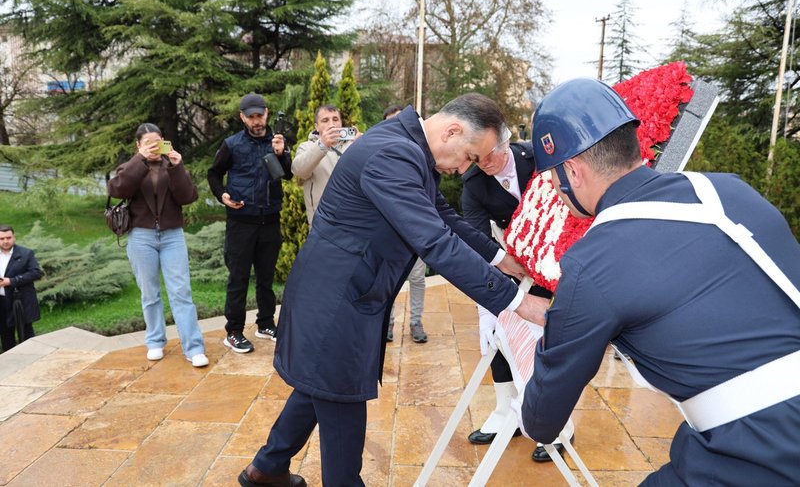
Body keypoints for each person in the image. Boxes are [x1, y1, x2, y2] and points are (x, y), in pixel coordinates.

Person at [238, 94, 550, 487]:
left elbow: (442, 215)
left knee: (320, 384)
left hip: (347, 293)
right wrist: (517, 302)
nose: (465, 168)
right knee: (342, 403)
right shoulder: (392, 154)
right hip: (336, 302)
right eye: (470, 156)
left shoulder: (408, 147)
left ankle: (266, 469)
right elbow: (435, 241)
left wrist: (500, 258)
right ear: (453, 131)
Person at [515, 78, 800, 484]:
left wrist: (560, 327)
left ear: (573, 172)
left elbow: (541, 422)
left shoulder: (592, 261)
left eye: (553, 178)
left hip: (762, 450)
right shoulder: (730, 190)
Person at [460, 130, 573, 462]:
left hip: (561, 255)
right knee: (500, 325)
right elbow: (477, 244)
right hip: (513, 261)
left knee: (550, 338)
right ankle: (502, 408)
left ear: (504, 141)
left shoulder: (535, 158)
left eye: (488, 156)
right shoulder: (474, 184)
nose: (483, 164)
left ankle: (561, 422)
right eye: (476, 159)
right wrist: (487, 305)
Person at [107, 123, 208, 367]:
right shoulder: (130, 167)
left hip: (172, 235)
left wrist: (177, 166)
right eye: (147, 143)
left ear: (164, 141)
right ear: (138, 145)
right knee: (150, 293)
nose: (153, 147)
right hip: (141, 236)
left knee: (181, 292)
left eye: (157, 141)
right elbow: (117, 189)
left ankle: (193, 348)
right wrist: (139, 161)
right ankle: (154, 341)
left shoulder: (171, 165)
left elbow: (188, 197)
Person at [208, 93, 292, 354]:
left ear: (267, 113)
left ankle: (265, 323)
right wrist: (222, 194)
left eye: (260, 115)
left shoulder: (277, 142)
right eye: (251, 117)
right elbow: (214, 173)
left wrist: (281, 153)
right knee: (238, 278)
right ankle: (233, 331)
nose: (257, 121)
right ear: (243, 117)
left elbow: (287, 174)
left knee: (266, 277)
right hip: (241, 223)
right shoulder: (232, 144)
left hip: (270, 220)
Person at [383, 103, 428, 343]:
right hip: (389, 234)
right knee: (388, 281)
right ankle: (387, 322)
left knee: (417, 278)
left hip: (415, 232)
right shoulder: (380, 155)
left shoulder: (420, 155)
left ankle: (416, 322)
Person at [291, 104, 358, 226]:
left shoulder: (354, 144)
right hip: (323, 223)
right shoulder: (307, 147)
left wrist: (363, 145)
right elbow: (299, 170)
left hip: (354, 219)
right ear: (316, 127)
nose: (331, 124)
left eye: (335, 119)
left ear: (341, 123)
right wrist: (322, 145)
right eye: (325, 120)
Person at [0, 225, 42, 352]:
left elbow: (35, 273)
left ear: (14, 238)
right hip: (1, 303)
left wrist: (11, 281)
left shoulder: (26, 253)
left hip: (20, 301)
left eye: (9, 237)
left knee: (26, 333)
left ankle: (32, 360)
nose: (5, 241)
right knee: (5, 334)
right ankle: (9, 364)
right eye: (2, 239)